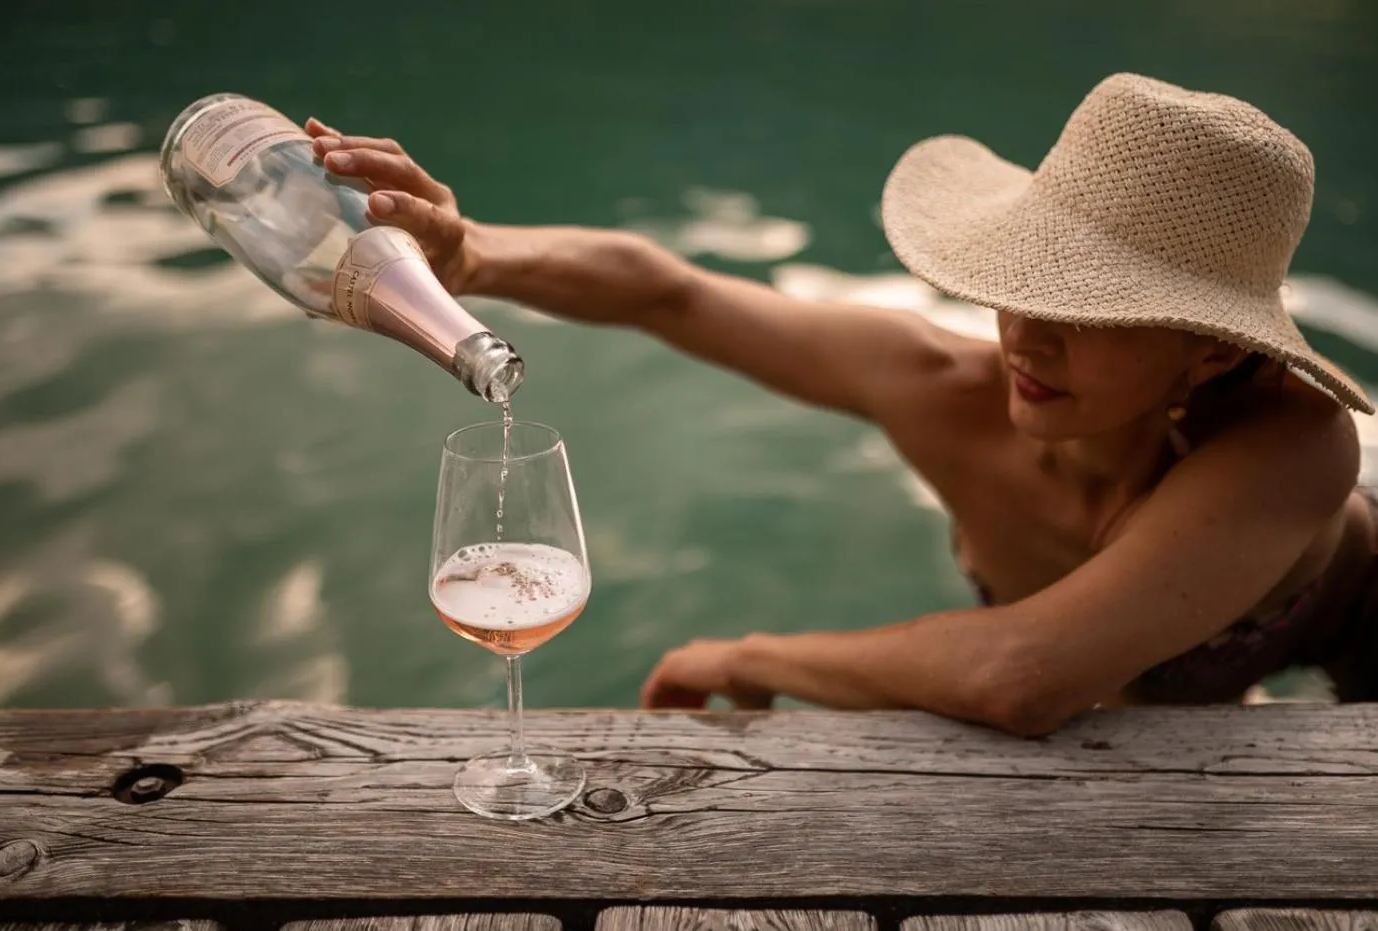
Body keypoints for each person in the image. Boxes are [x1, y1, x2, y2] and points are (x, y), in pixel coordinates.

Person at [307, 73, 1378, 735]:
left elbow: (1021, 676)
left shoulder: (1296, 445)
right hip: (1153, 671)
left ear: (1206, 353)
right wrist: (475, 251)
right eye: (1029, 282)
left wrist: (744, 657)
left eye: (1095, 310)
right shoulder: (939, 388)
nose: (1027, 333)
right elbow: (665, 288)